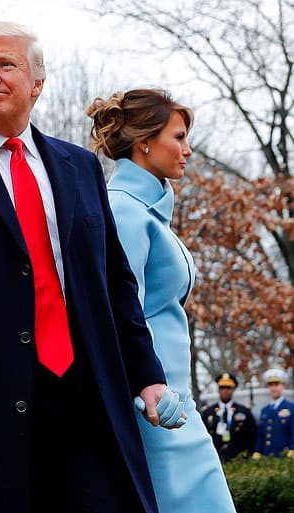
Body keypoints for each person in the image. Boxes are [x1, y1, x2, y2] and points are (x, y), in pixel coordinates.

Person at [0, 21, 185, 513]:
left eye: (6, 64)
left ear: (37, 82)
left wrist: (147, 376)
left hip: (89, 401)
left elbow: (116, 285)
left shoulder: (79, 167)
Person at [87, 89, 236, 513]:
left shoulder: (145, 212)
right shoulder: (124, 211)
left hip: (175, 402)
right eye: (179, 137)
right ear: (144, 141)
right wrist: (147, 388)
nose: (188, 150)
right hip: (152, 407)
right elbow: (118, 313)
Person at [202, 372, 257, 462]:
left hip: (239, 460)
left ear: (233, 389)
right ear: (218, 389)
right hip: (215, 459)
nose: (225, 390)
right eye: (222, 387)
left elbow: (252, 435)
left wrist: (249, 455)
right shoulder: (208, 412)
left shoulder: (243, 411)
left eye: (228, 388)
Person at [253, 368, 294, 458]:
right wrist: (257, 451)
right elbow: (261, 434)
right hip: (267, 457)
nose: (273, 388)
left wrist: (292, 449)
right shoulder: (265, 410)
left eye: (276, 384)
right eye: (271, 385)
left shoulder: (291, 408)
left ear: (283, 386)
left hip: (285, 457)